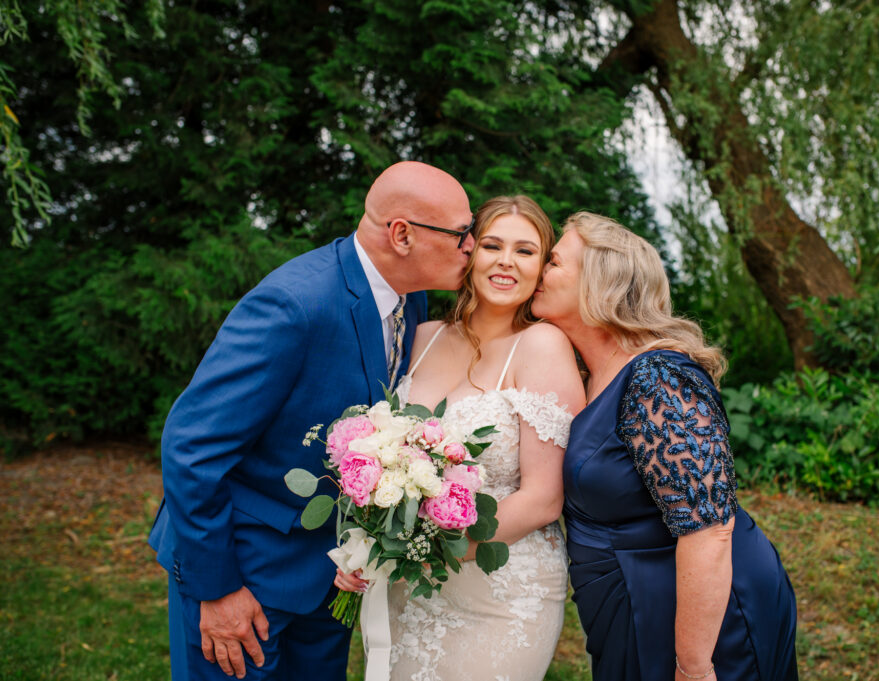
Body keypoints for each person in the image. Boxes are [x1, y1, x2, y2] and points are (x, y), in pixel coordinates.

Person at [148, 161, 476, 680]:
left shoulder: (411, 298)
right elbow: (192, 448)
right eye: (461, 233)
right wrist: (218, 590)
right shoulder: (294, 304)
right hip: (243, 572)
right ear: (402, 235)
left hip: (329, 576)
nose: (472, 247)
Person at [532, 211, 799, 681]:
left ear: (598, 284)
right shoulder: (590, 378)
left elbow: (709, 528)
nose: (538, 271)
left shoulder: (658, 378)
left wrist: (694, 666)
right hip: (635, 602)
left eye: (553, 262)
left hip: (702, 617)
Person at [334, 195, 586, 680]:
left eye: (526, 251)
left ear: (541, 266)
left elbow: (543, 499)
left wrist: (419, 551)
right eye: (492, 245)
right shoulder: (421, 337)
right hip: (409, 589)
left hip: (500, 590)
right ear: (469, 253)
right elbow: (386, 454)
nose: (506, 262)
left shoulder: (542, 346)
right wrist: (366, 548)